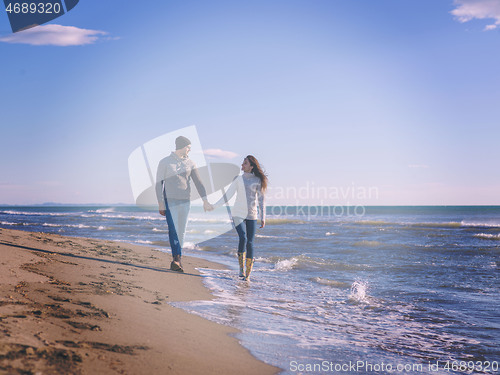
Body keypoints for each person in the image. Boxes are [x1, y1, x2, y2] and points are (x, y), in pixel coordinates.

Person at [156, 136, 212, 272]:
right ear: (181, 147)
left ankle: (178, 259)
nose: (189, 150)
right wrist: (160, 203)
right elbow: (159, 184)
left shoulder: (191, 163)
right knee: (173, 230)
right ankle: (176, 259)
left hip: (186, 202)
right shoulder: (165, 162)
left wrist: (205, 200)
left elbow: (198, 182)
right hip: (170, 201)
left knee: (181, 232)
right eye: (188, 148)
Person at [211, 155, 267, 280]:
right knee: (243, 237)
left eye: (245, 163)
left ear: (251, 166)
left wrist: (263, 217)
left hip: (252, 214)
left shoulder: (258, 180)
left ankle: (248, 274)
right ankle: (241, 268)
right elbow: (228, 195)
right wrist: (215, 205)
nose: (242, 165)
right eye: (242, 163)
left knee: (250, 242)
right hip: (238, 213)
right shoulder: (238, 179)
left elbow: (261, 200)